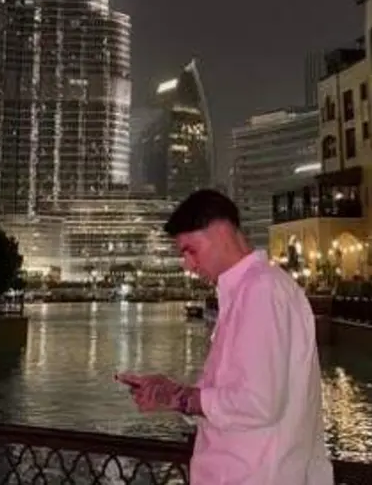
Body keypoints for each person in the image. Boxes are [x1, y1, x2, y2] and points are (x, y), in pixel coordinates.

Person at [117, 189, 333, 485]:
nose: (188, 266)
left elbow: (257, 402)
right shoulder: (251, 291)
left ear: (220, 231)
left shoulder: (260, 291)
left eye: (190, 250)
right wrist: (173, 393)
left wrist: (180, 398)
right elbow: (236, 396)